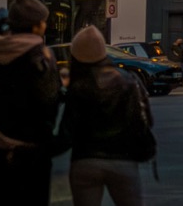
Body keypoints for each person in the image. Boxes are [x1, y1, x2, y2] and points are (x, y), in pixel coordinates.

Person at [0, 0, 64, 206]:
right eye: (43, 21)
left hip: (1, 146)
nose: (46, 25)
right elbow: (49, 100)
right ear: (36, 26)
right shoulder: (40, 58)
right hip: (32, 152)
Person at [63, 25, 156, 206]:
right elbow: (145, 121)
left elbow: (67, 132)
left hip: (85, 160)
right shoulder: (129, 81)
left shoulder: (77, 87)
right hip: (124, 160)